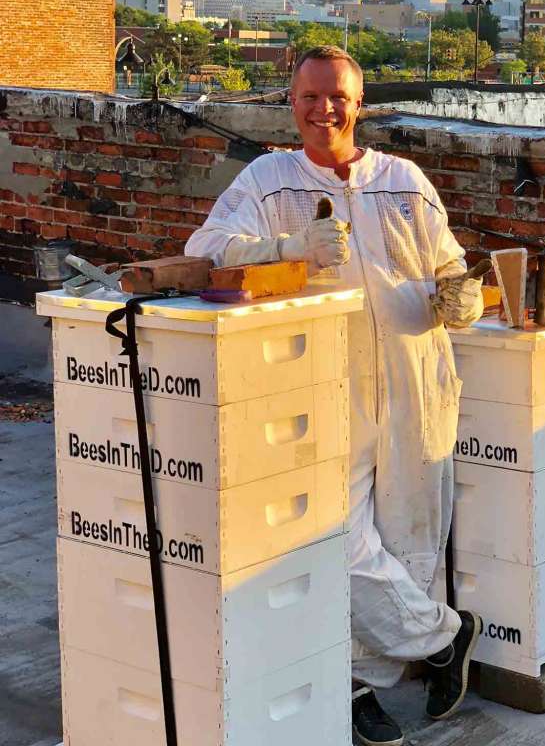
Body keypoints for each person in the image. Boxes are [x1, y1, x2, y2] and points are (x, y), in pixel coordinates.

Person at [186, 45, 484, 746]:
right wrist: (288, 246)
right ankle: (444, 639)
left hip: (415, 375)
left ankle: (356, 692)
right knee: (336, 538)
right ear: (291, 104)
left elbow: (450, 268)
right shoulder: (269, 179)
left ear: (360, 105)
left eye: (338, 97)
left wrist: (462, 295)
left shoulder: (405, 181)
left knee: (412, 540)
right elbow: (208, 246)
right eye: (310, 97)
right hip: (321, 382)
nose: (325, 110)